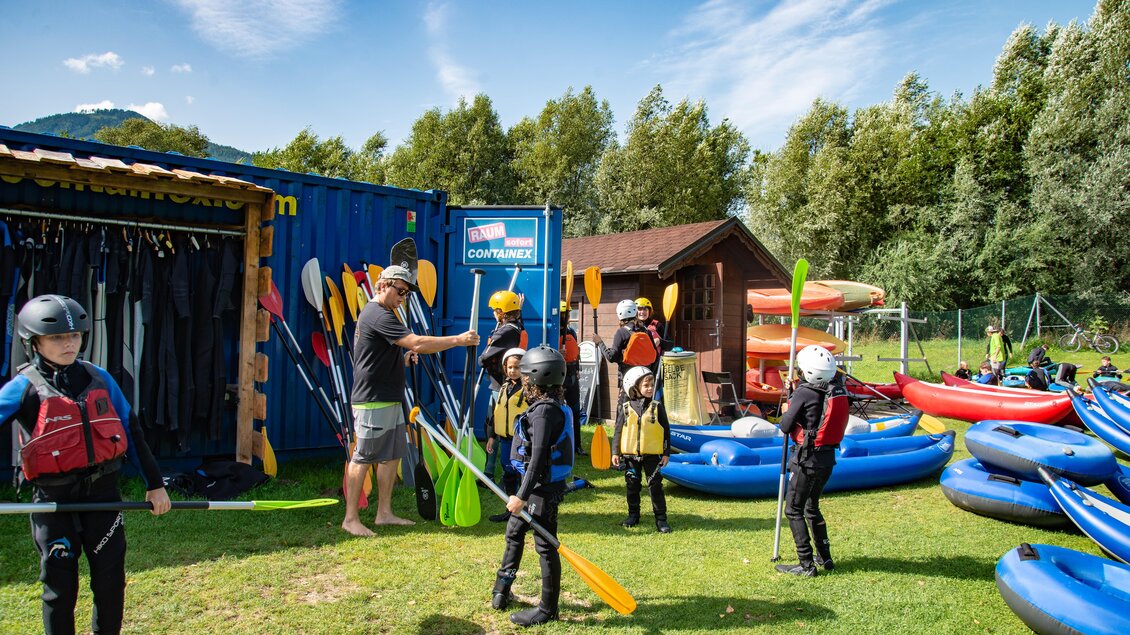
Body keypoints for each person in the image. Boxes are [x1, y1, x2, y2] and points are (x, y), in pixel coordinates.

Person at [0, 294, 172, 634]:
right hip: (53, 504)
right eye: (56, 337)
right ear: (33, 342)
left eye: (75, 335)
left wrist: (155, 485)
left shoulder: (100, 378)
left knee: (110, 585)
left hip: (103, 499)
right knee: (59, 590)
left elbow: (132, 431)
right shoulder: (23, 388)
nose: (69, 344)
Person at [343, 265, 479, 536]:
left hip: (390, 397)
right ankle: (350, 519)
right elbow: (417, 342)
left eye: (406, 294)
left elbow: (378, 355)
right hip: (372, 399)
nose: (403, 298)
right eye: (401, 291)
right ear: (384, 285)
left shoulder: (386, 313)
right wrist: (458, 340)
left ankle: (384, 514)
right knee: (364, 457)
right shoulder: (377, 313)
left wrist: (402, 361)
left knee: (391, 456)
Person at [491, 346, 574, 627]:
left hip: (542, 488)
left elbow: (537, 459)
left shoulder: (544, 412)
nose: (523, 380)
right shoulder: (548, 405)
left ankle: (547, 610)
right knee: (514, 532)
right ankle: (502, 590)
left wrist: (521, 496)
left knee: (545, 545)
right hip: (536, 485)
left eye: (525, 376)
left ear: (535, 378)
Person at [775, 345, 849, 577]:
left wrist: (788, 406)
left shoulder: (804, 393)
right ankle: (824, 557)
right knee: (811, 506)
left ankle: (806, 564)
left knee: (793, 509)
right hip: (827, 459)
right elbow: (814, 410)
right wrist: (795, 391)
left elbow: (785, 426)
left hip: (807, 460)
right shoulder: (835, 389)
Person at [611, 365, 672, 533]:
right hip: (631, 457)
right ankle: (633, 515)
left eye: (651, 385)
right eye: (646, 385)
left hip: (652, 456)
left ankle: (661, 519)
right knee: (632, 486)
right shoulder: (625, 408)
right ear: (634, 387)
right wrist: (615, 452)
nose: (650, 388)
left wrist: (666, 453)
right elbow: (618, 431)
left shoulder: (657, 407)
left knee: (655, 486)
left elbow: (666, 431)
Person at [479, 290, 526, 480]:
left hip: (501, 385)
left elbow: (483, 359)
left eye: (495, 310)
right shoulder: (516, 326)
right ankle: (497, 469)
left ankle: (489, 471)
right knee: (500, 426)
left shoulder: (506, 331)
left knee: (494, 425)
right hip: (509, 384)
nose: (493, 313)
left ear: (502, 312)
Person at [593, 299, 658, 432]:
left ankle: (620, 440)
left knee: (622, 413)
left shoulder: (621, 332)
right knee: (643, 412)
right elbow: (654, 355)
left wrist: (600, 342)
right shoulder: (646, 331)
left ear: (620, 314)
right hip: (644, 380)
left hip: (628, 381)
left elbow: (611, 357)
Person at [485, 348, 527, 522]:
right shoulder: (504, 387)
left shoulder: (529, 390)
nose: (512, 371)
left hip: (522, 442)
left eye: (517, 367)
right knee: (508, 474)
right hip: (506, 440)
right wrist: (491, 436)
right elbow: (496, 414)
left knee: (522, 476)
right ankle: (511, 510)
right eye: (510, 367)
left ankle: (526, 512)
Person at [558, 302, 584, 455]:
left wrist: (578, 368)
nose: (566, 317)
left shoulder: (571, 332)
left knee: (575, 411)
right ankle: (561, 444)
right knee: (560, 411)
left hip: (572, 374)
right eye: (564, 314)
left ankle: (577, 445)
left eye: (567, 314)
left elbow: (577, 352)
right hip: (559, 374)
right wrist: (557, 353)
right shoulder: (553, 332)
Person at [634, 297, 674, 372]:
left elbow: (671, 344)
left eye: (645, 309)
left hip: (655, 365)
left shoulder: (657, 325)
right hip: (637, 364)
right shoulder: (632, 326)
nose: (642, 312)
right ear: (635, 311)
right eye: (639, 309)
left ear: (649, 311)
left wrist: (659, 341)